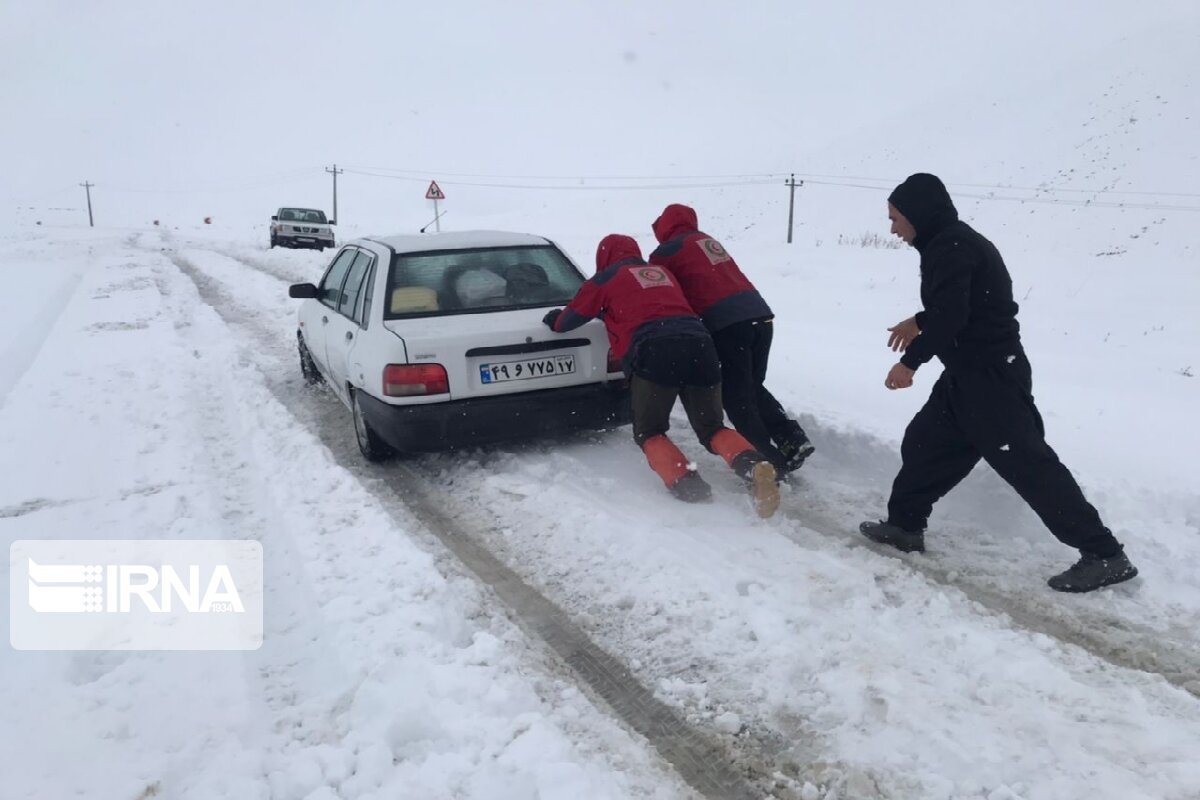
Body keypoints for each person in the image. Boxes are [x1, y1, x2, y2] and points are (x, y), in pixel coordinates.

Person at [860, 173, 1138, 593]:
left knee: (1029, 466)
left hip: (991, 380)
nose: (892, 228)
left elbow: (954, 315)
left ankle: (1104, 555)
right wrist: (919, 320)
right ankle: (904, 526)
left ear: (919, 214)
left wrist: (911, 362)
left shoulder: (951, 248)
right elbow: (963, 305)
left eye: (895, 218)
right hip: (968, 375)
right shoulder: (947, 243)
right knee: (924, 444)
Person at [544, 233, 780, 518]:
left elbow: (570, 319)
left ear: (603, 257)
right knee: (712, 426)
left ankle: (688, 485)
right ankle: (753, 465)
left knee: (650, 430)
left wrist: (554, 319)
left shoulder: (606, 278)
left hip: (655, 350)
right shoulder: (661, 272)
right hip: (700, 345)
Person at [648, 203, 813, 477]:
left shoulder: (665, 253)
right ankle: (792, 438)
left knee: (736, 397)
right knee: (752, 385)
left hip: (727, 324)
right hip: (760, 316)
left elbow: (663, 292)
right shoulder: (706, 240)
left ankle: (767, 461)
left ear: (664, 227)